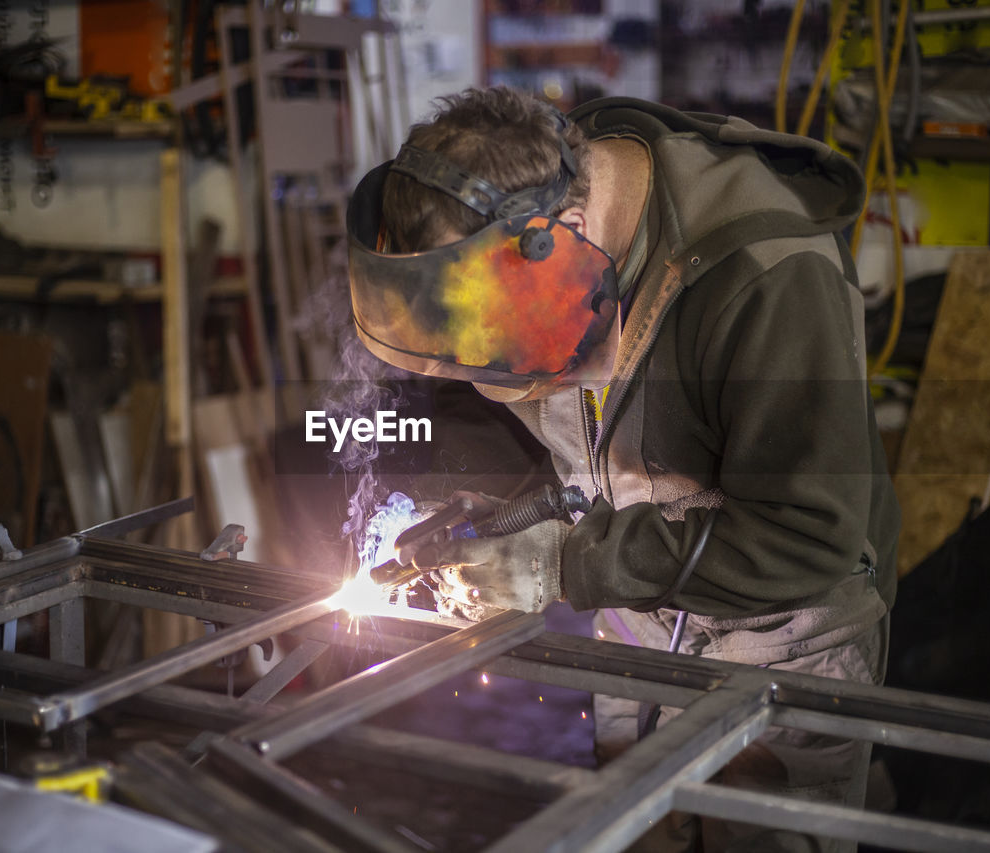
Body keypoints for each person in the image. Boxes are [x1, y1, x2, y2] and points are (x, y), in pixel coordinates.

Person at [345, 86, 899, 852]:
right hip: (638, 617)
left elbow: (803, 538)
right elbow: (610, 451)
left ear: (563, 236)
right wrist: (511, 517)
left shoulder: (769, 272)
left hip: (777, 628)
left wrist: (565, 566)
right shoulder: (555, 223)